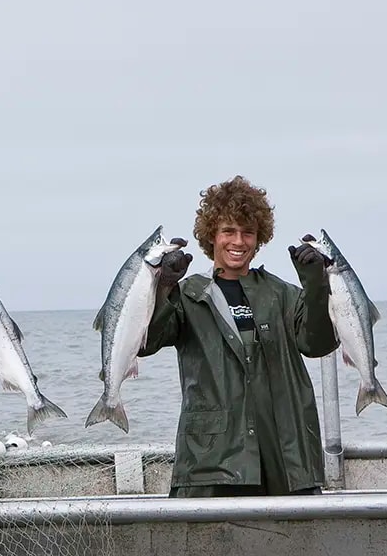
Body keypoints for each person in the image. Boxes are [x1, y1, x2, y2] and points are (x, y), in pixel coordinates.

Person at [139, 176, 339, 497]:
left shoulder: (284, 295)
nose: (239, 241)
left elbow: (319, 344)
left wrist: (316, 284)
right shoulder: (188, 295)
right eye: (228, 231)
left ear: (259, 238)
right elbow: (145, 342)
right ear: (211, 237)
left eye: (248, 232)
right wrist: (161, 286)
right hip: (210, 462)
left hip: (285, 459)